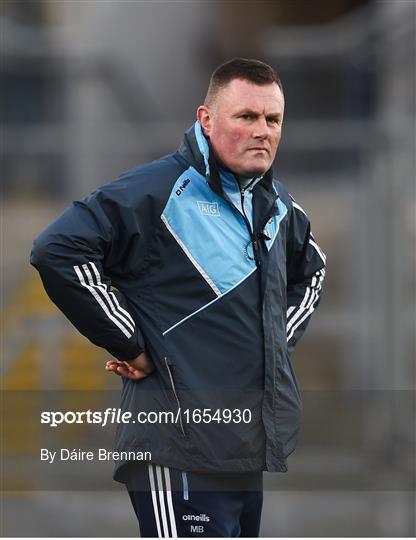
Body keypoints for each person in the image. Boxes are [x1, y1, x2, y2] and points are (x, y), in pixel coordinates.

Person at [31, 58, 326, 537]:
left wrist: (271, 345)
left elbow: (311, 274)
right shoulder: (156, 190)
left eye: (273, 120)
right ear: (206, 120)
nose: (263, 131)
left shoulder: (280, 209)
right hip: (177, 446)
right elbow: (57, 250)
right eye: (246, 117)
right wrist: (130, 343)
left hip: (244, 446)